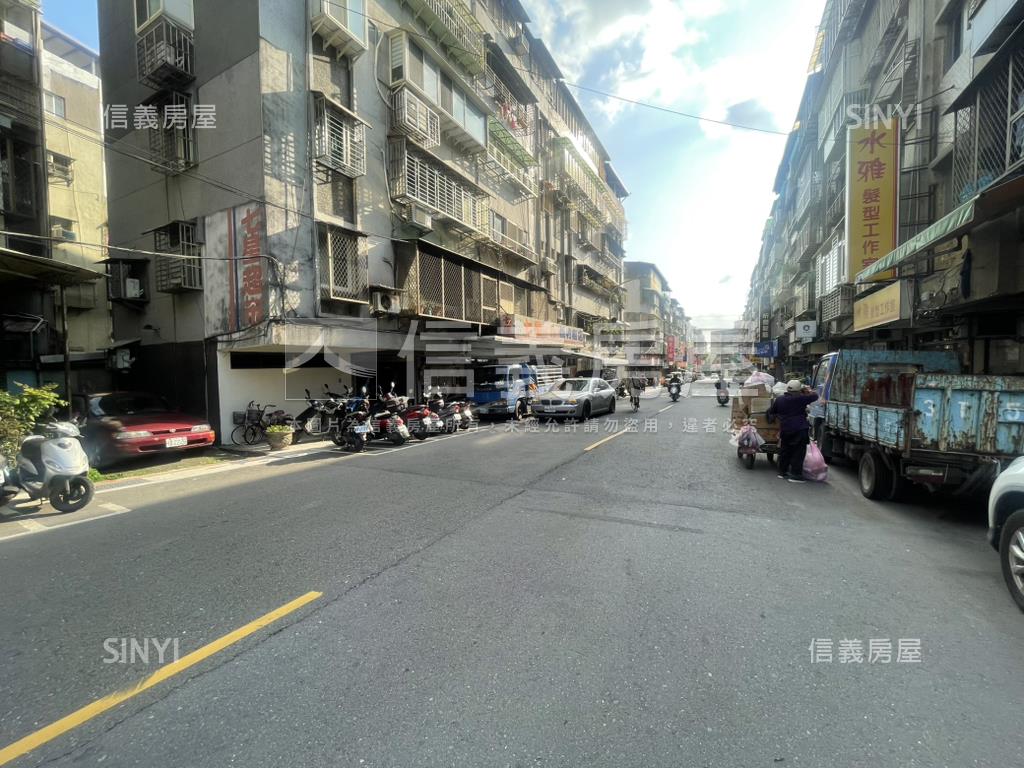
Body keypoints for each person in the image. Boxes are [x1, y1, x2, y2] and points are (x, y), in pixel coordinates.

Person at [768, 379, 819, 483]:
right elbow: (815, 396)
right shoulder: (801, 399)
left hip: (786, 429)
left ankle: (782, 472)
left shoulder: (779, 399)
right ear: (798, 390)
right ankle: (795, 475)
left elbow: (772, 411)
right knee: (798, 452)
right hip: (799, 429)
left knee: (785, 450)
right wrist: (807, 390)